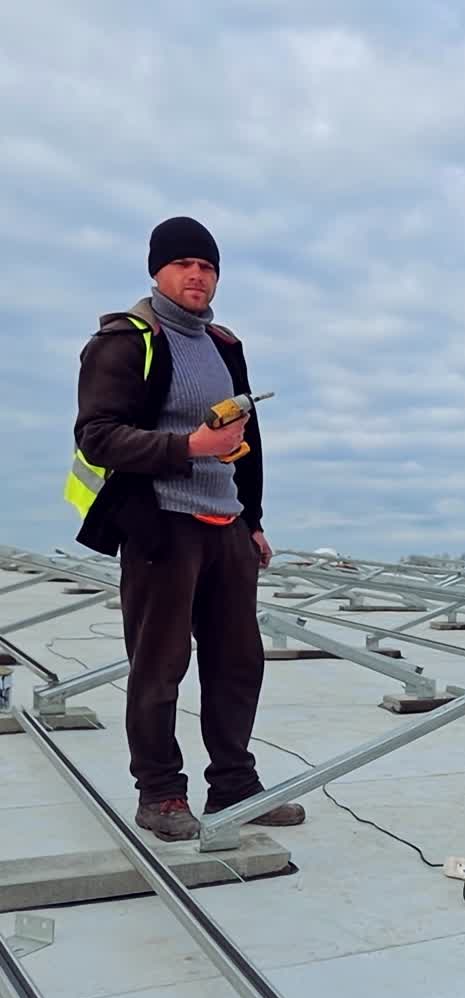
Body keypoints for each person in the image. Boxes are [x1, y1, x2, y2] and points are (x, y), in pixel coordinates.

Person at [66, 216, 305, 841]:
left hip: (223, 527)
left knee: (237, 663)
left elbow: (246, 437)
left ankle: (234, 785)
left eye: (207, 265)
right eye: (183, 264)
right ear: (157, 271)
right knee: (159, 666)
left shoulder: (225, 346)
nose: (196, 274)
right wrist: (189, 445)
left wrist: (251, 520)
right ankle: (161, 794)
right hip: (160, 526)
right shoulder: (125, 340)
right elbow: (96, 436)